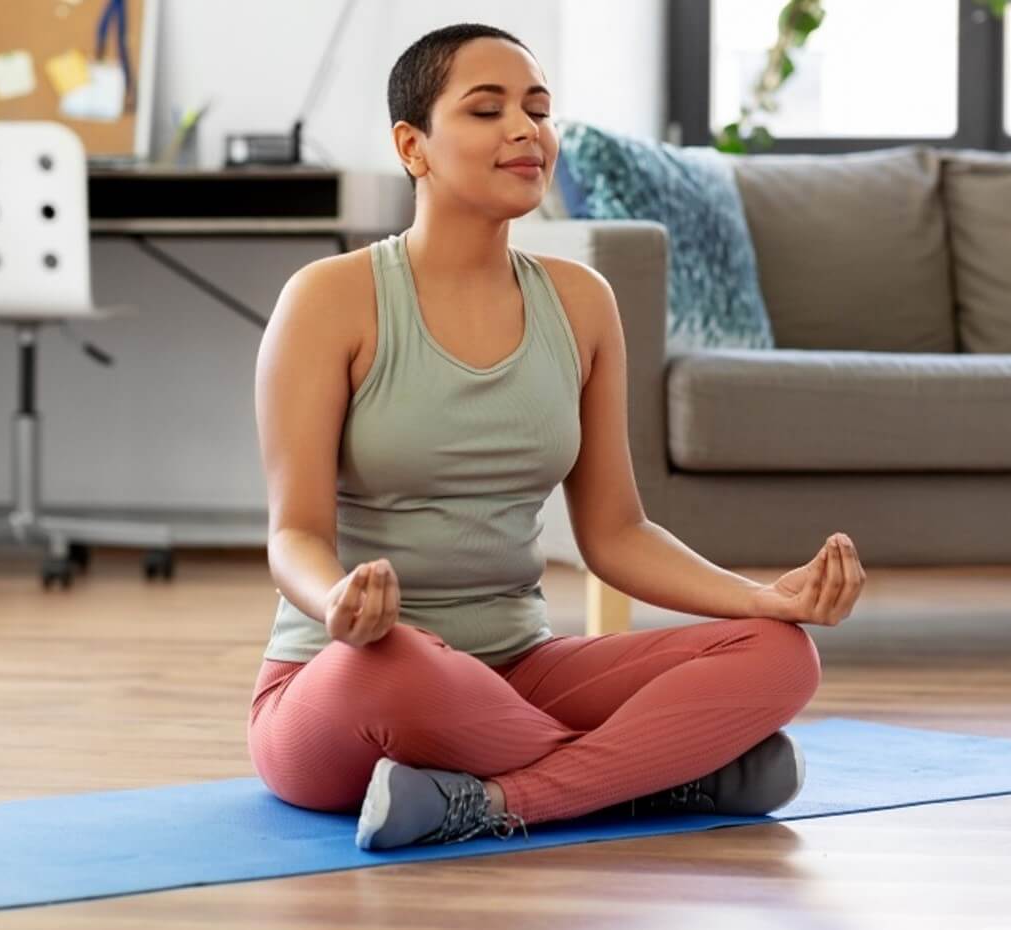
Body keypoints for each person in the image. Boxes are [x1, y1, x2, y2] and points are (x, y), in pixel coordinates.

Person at [246, 22, 865, 852]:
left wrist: (760, 597)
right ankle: (662, 776)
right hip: (352, 679)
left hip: (522, 675)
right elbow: (293, 533)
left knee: (780, 655)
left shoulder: (581, 302)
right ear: (413, 145)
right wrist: (337, 607)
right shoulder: (329, 298)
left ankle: (498, 802)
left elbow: (615, 531)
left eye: (537, 109)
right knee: (395, 669)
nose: (524, 130)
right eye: (485, 109)